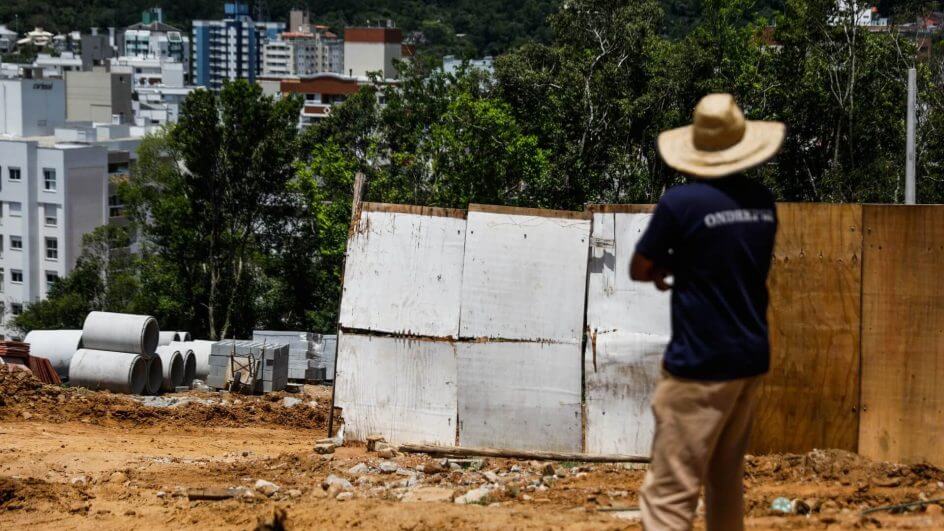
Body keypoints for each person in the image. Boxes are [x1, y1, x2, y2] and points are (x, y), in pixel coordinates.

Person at [630, 93, 784, 531]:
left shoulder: (682, 204)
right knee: (724, 480)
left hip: (700, 363)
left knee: (669, 492)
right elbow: (729, 258)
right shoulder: (762, 202)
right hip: (748, 358)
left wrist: (669, 264)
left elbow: (640, 267)